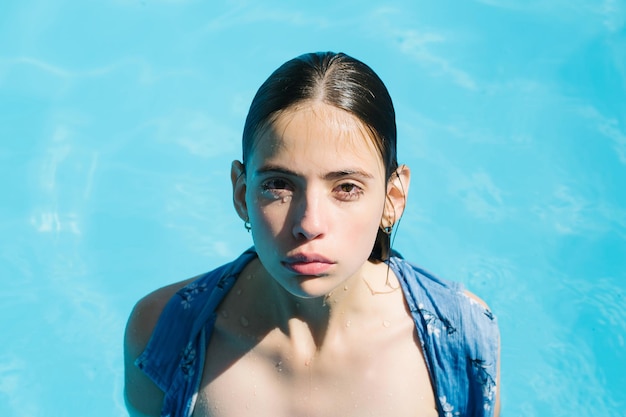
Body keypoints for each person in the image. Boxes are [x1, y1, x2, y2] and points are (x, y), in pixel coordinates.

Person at [124, 51, 501, 417]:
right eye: (278, 184)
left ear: (393, 197)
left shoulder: (462, 336)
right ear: (241, 194)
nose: (309, 223)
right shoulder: (162, 332)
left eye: (347, 187)